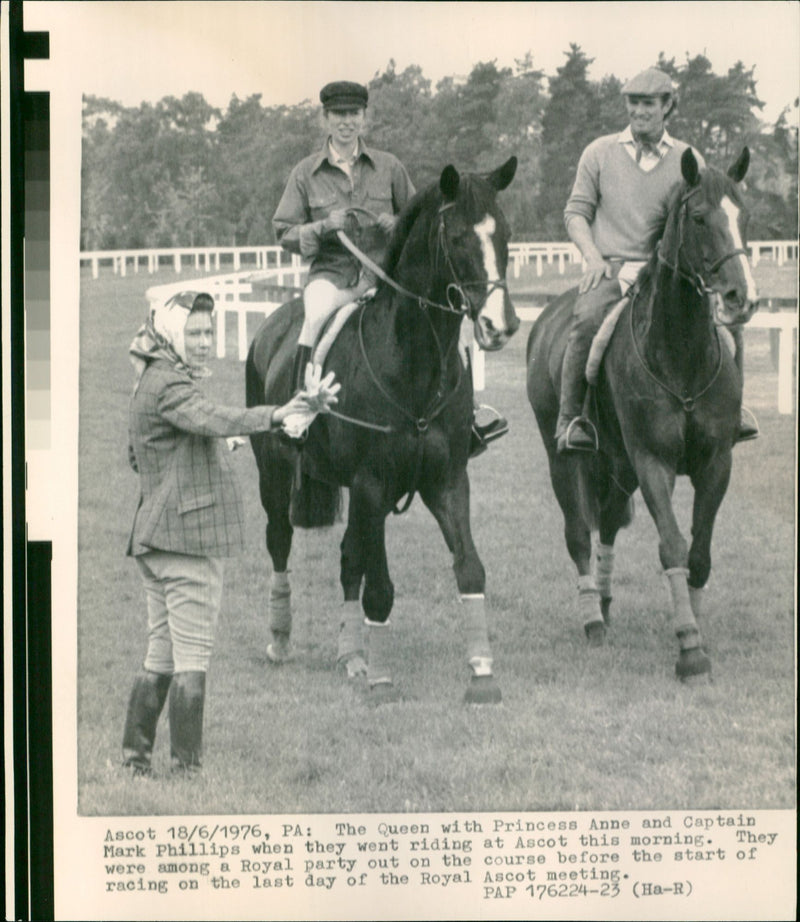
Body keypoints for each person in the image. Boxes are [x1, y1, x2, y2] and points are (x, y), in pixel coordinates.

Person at [122, 290, 339, 776]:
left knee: (161, 653)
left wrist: (213, 448)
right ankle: (186, 770)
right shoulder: (169, 383)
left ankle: (135, 760)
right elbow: (214, 417)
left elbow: (141, 454)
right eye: (195, 333)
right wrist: (277, 413)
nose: (204, 342)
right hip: (185, 541)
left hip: (154, 538)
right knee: (192, 657)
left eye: (208, 332)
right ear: (171, 333)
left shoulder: (149, 378)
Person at [273, 79, 508, 455]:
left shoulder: (390, 167)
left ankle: (468, 416)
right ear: (325, 119)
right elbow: (283, 232)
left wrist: (396, 224)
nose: (346, 121)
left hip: (387, 278)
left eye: (353, 113)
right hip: (333, 276)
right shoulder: (305, 173)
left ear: (364, 117)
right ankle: (299, 412)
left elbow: (424, 223)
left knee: (455, 324)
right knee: (314, 314)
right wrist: (324, 227)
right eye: (338, 114)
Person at [556, 67, 758, 453]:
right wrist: (592, 256)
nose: (638, 111)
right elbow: (576, 213)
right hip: (614, 268)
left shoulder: (689, 158)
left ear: (667, 106)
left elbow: (705, 217)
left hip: (669, 273)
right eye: (633, 102)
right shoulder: (598, 153)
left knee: (731, 327)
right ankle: (572, 421)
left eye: (648, 103)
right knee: (587, 321)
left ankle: (734, 414)